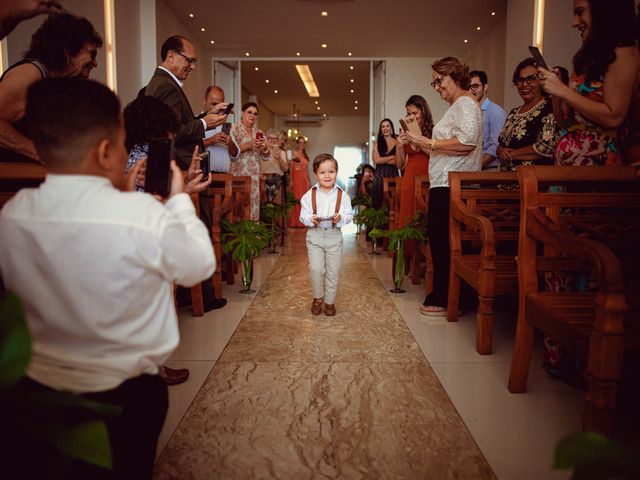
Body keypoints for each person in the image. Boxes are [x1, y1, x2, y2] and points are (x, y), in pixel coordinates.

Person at [0, 78, 215, 478]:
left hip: (40, 388)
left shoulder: (14, 214)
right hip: (125, 392)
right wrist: (181, 200)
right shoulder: (141, 216)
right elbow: (198, 265)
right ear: (105, 151)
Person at [401, 57, 483, 316]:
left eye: (440, 80)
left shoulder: (466, 103)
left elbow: (466, 143)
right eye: (433, 82)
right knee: (439, 241)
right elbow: (441, 148)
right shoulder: (456, 106)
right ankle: (447, 294)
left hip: (453, 184)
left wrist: (429, 142)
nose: (436, 87)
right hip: (443, 182)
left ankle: (447, 297)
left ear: (456, 76)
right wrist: (417, 141)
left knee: (445, 242)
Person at [538, 0, 639, 167]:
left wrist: (563, 90)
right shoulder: (585, 61)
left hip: (597, 167)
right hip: (567, 168)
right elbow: (564, 122)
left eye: (580, 12)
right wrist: (556, 92)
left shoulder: (624, 54)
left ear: (603, 11)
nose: (574, 22)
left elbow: (614, 117)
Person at [0, 12, 102, 163]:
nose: (95, 63)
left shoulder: (57, 83)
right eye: (92, 54)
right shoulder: (30, 74)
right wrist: (36, 152)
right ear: (67, 50)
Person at [299, 153, 354, 316]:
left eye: (331, 171)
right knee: (316, 269)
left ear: (336, 172)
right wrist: (311, 218)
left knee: (333, 271)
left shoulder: (342, 195)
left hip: (334, 235)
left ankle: (330, 302)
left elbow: (349, 214)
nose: (327, 175)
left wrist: (341, 218)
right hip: (314, 236)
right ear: (315, 174)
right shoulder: (309, 195)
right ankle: (318, 298)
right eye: (322, 172)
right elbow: (303, 215)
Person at [497, 58, 560, 171]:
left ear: (541, 80)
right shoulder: (513, 113)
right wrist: (500, 151)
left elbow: (546, 146)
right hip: (505, 179)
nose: (524, 84)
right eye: (520, 80)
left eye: (530, 79)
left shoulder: (549, 107)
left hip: (533, 180)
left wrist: (513, 154)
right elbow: (501, 143)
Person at [395, 95, 434, 264]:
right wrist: (399, 145)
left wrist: (418, 141)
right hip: (409, 178)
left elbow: (435, 155)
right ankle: (408, 258)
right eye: (408, 114)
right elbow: (400, 164)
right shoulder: (406, 133)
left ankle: (424, 258)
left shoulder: (433, 131)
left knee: (424, 217)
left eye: (415, 113)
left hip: (428, 177)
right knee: (407, 217)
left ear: (423, 112)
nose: (411, 117)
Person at [231, 102, 269, 221]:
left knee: (253, 206)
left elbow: (266, 157)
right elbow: (231, 152)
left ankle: (252, 236)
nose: (252, 115)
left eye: (255, 114)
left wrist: (265, 148)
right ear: (242, 113)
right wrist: (249, 144)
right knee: (238, 206)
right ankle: (239, 237)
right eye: (249, 112)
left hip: (254, 177)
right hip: (239, 174)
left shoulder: (259, 133)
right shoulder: (234, 128)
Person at [469, 70, 507, 171]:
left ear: (485, 87)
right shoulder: (469, 111)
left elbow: (496, 146)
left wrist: (475, 168)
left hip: (490, 170)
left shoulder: (496, 111)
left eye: (475, 86)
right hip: (471, 170)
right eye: (469, 87)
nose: (471, 91)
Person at [202, 85, 239, 173]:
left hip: (225, 178)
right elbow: (189, 149)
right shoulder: (196, 122)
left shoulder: (226, 125)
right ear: (204, 101)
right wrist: (210, 140)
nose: (217, 108)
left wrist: (230, 143)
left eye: (220, 105)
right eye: (214, 104)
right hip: (204, 175)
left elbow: (236, 155)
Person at [372, 118, 399, 209]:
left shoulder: (397, 142)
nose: (385, 128)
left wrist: (382, 159)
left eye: (387, 126)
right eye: (383, 126)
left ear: (391, 128)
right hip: (379, 176)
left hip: (393, 175)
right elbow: (376, 160)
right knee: (378, 204)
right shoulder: (377, 143)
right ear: (381, 129)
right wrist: (392, 157)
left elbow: (398, 162)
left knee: (393, 203)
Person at [289, 136, 311, 227]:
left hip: (304, 179)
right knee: (297, 199)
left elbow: (307, 169)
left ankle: (303, 222)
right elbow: (291, 167)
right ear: (297, 144)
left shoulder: (305, 155)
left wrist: (309, 181)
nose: (302, 144)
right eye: (300, 142)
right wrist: (291, 180)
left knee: (304, 201)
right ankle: (295, 222)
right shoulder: (294, 153)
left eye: (303, 142)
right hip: (296, 179)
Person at [262, 128, 289, 203]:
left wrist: (279, 158)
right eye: (269, 138)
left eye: (275, 138)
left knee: (277, 208)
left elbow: (286, 169)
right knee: (264, 206)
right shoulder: (260, 151)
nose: (272, 140)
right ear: (265, 139)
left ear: (278, 140)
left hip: (277, 182)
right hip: (263, 182)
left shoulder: (282, 152)